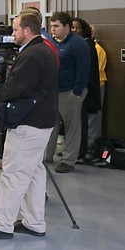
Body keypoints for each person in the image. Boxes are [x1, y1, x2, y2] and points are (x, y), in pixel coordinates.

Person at [0, 12, 59, 240]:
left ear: (27, 31)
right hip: (42, 121)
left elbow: (13, 89)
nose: (12, 35)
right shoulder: (44, 50)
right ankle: (34, 222)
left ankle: (1, 224)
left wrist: (0, 90)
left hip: (29, 124)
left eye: (15, 30)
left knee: (13, 173)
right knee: (34, 173)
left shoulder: (32, 55)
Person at [44, 11, 89, 173]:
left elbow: (84, 70)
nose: (53, 29)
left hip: (70, 91)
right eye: (51, 26)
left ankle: (69, 160)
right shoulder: (53, 41)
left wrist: (76, 93)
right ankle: (46, 155)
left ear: (67, 27)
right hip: (54, 91)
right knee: (50, 124)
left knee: (72, 127)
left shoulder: (78, 44)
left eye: (56, 26)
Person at [71, 17, 100, 159]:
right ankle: (73, 149)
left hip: (84, 89)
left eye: (78, 28)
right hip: (73, 89)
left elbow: (89, 70)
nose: (75, 30)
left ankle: (80, 151)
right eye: (72, 28)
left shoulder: (88, 45)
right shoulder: (74, 45)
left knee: (81, 122)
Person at [88, 25, 107, 148]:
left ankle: (92, 145)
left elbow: (96, 70)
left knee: (93, 117)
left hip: (97, 85)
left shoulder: (97, 50)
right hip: (86, 86)